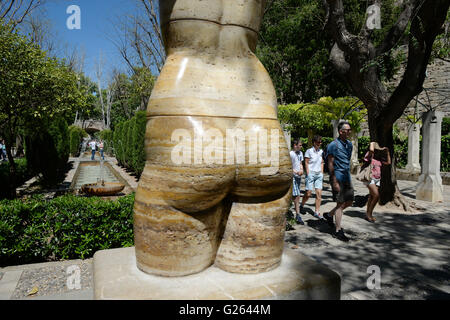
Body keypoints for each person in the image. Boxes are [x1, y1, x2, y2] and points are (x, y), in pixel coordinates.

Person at [323, 121, 353, 241]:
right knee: (340, 204)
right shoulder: (333, 145)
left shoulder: (349, 144)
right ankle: (338, 230)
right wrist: (334, 180)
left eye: (350, 130)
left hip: (347, 176)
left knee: (349, 201)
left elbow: (347, 159)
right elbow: (330, 163)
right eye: (348, 130)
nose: (350, 132)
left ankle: (329, 215)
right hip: (337, 176)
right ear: (341, 132)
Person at [363, 142, 391, 222]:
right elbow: (371, 150)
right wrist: (372, 143)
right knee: (376, 195)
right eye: (376, 149)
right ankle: (369, 214)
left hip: (377, 179)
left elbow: (388, 163)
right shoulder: (369, 155)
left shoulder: (379, 158)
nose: (377, 151)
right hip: (369, 178)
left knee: (371, 197)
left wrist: (387, 152)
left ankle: (368, 214)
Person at [300, 135, 324, 219]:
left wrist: (322, 172)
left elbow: (322, 162)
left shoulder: (321, 151)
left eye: (320, 142)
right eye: (318, 142)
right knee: (308, 193)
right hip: (311, 173)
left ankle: (317, 212)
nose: (320, 144)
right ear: (314, 142)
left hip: (318, 174)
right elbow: (306, 162)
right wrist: (308, 173)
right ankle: (302, 205)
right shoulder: (309, 151)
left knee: (319, 194)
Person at [290, 139, 304, 225]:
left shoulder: (300, 153)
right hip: (293, 177)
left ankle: (296, 214)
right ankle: (298, 215)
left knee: (296, 195)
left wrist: (302, 170)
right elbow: (288, 166)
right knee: (296, 195)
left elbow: (300, 163)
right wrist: (295, 172)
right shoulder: (291, 154)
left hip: (298, 177)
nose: (301, 147)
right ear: (295, 145)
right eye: (300, 145)